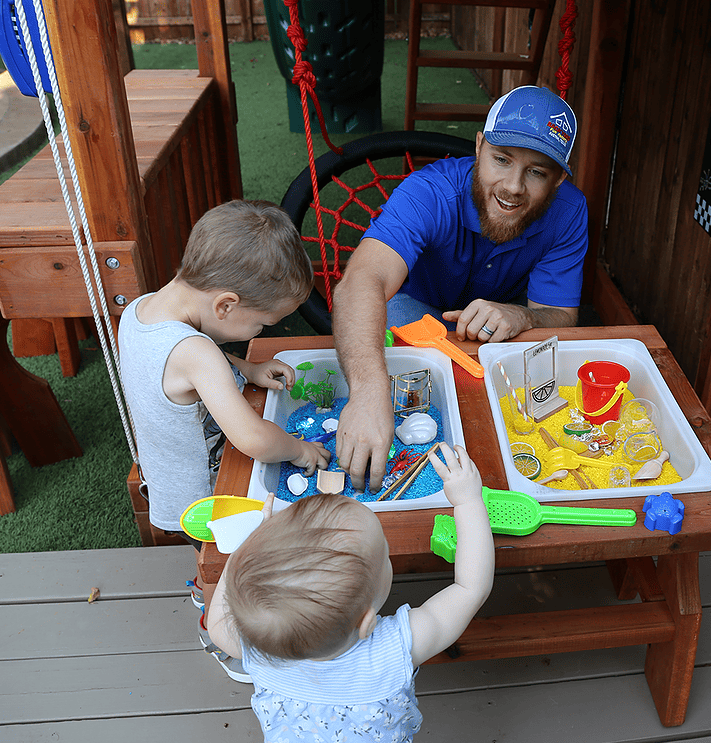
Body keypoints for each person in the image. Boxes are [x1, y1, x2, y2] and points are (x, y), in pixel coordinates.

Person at [333, 85, 588, 491]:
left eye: (536, 171)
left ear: (557, 180)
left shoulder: (570, 210)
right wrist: (367, 392)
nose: (513, 186)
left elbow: (562, 317)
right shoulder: (430, 191)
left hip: (495, 340)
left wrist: (522, 314)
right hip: (414, 319)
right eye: (501, 160)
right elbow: (359, 284)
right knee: (390, 330)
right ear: (479, 146)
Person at [119, 199, 331, 682]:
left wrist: (247, 367)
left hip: (169, 474)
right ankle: (224, 637)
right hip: (207, 489)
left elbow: (188, 367)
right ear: (225, 304)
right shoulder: (195, 351)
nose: (261, 333)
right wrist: (299, 450)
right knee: (232, 561)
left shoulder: (142, 310)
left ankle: (203, 585)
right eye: (261, 326)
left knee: (209, 557)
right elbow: (254, 438)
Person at [205, 442, 494, 742]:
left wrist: (246, 547)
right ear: (367, 623)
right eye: (385, 552)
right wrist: (468, 502)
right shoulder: (392, 651)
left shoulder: (258, 649)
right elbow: (470, 588)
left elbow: (216, 626)